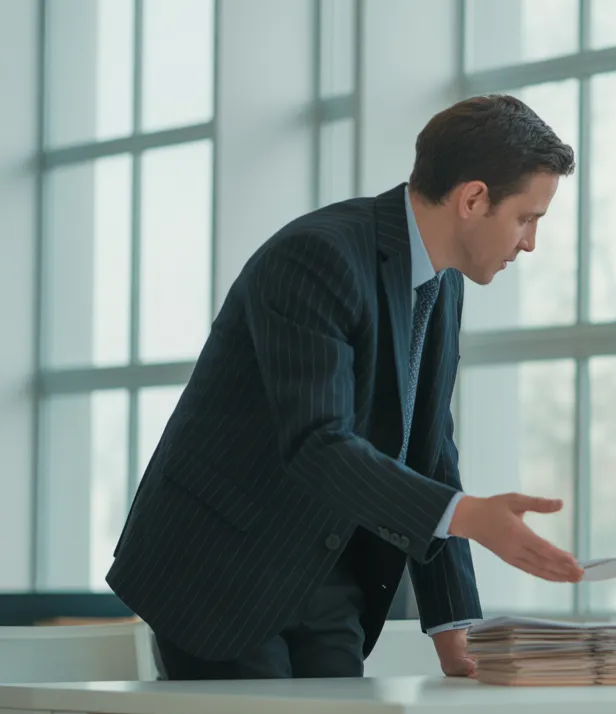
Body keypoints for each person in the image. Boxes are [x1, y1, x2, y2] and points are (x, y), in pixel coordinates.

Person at [107, 95, 586, 681]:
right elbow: (318, 441)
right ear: (473, 199)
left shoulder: (444, 284)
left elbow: (433, 451)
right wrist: (468, 516)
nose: (530, 242)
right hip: (220, 567)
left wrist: (454, 634)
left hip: (329, 566)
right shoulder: (319, 256)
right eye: (527, 218)